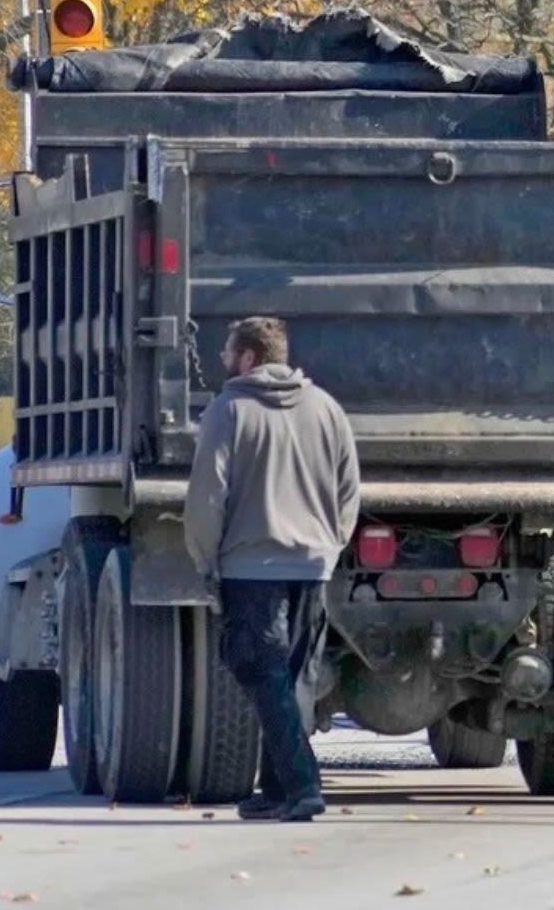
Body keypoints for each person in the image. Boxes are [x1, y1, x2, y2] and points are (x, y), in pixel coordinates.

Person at [186, 316, 360, 822]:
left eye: (227, 351)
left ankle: (304, 784)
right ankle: (277, 788)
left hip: (249, 564)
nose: (221, 361)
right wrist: (331, 543)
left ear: (248, 357)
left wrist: (205, 558)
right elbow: (349, 488)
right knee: (292, 678)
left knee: (258, 669)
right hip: (313, 563)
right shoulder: (327, 408)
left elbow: (206, 496)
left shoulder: (228, 411)